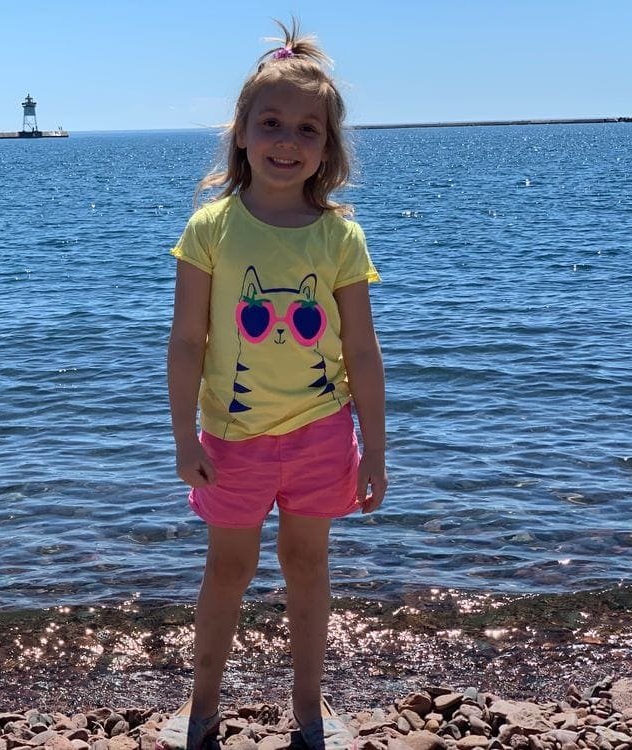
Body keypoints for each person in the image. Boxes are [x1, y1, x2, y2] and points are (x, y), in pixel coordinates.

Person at [157, 18, 387, 750]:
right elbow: (187, 340)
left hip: (323, 434)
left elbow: (363, 349)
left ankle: (310, 710)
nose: (287, 141)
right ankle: (201, 707)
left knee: (308, 567)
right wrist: (181, 436)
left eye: (307, 129)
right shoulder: (213, 228)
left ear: (329, 146)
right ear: (243, 134)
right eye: (272, 123)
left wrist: (376, 452)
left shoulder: (339, 236)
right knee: (227, 570)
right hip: (232, 439)